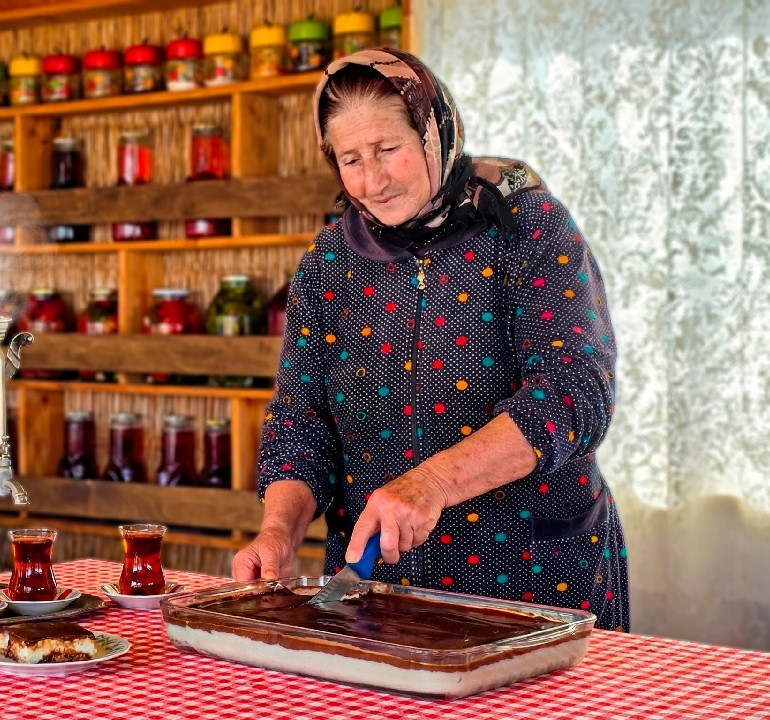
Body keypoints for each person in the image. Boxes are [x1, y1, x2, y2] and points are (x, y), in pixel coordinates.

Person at [231, 48, 628, 631]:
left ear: (432, 131)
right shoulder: (329, 261)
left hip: (532, 577)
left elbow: (576, 392)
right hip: (371, 586)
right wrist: (278, 532)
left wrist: (433, 483)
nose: (373, 180)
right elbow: (301, 418)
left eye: (388, 149)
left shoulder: (523, 225)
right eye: (351, 159)